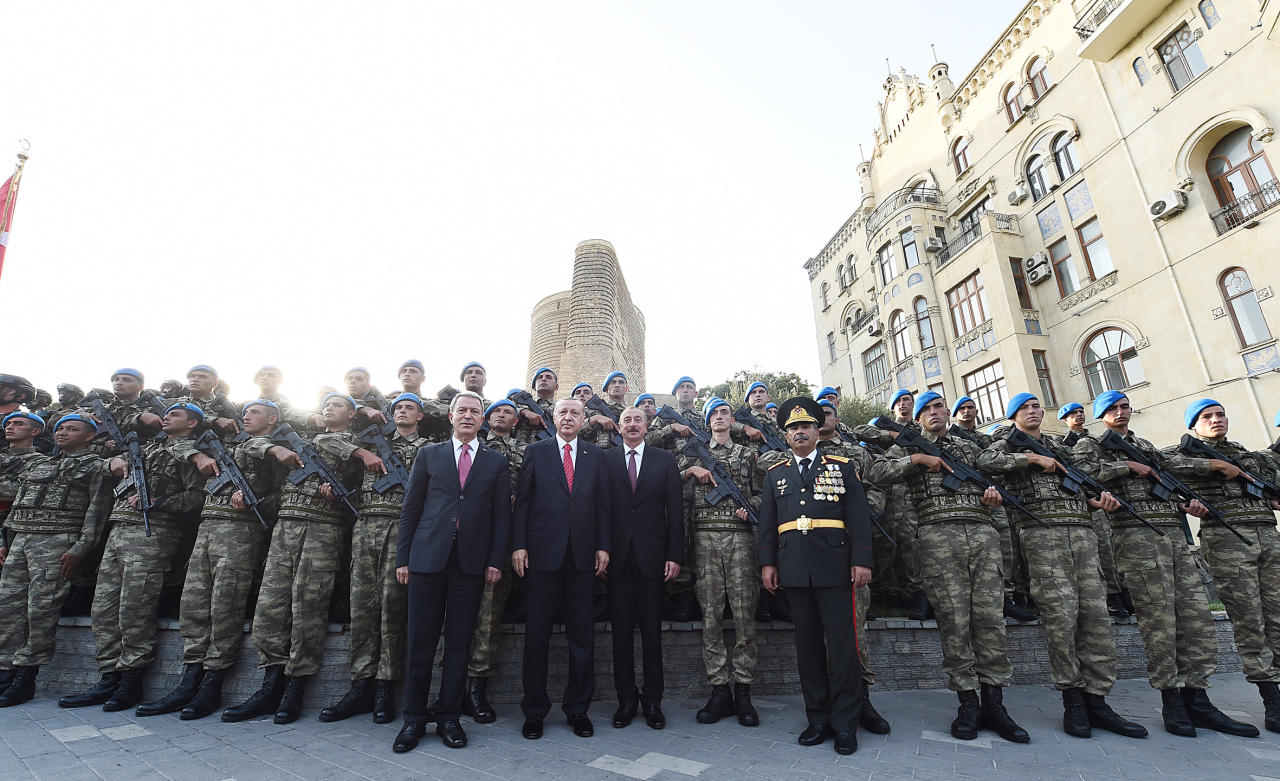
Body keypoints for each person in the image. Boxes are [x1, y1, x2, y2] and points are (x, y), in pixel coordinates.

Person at [1073, 391, 1256, 738]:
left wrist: (1187, 506)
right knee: (1160, 623)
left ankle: (1198, 699)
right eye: (1112, 409)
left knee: (1195, 620)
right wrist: (1126, 466)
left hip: (1172, 535)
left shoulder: (1145, 444)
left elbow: (1170, 479)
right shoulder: (1091, 447)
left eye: (1125, 407)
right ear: (1101, 416)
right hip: (1135, 538)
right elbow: (1082, 475)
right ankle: (1172, 702)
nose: (1121, 413)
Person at [977, 392, 1146, 740]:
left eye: (1037, 406)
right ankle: (1073, 702)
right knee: (1061, 618)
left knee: (1095, 617)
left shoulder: (1060, 445)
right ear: (1013, 416)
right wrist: (1030, 458)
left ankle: (1097, 699)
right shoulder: (1005, 444)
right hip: (1042, 535)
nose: (1034, 411)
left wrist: (1099, 501)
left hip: (1082, 534)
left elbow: (1082, 478)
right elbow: (986, 462)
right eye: (1024, 408)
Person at [867, 392, 1028, 743]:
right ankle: (968, 703)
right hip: (938, 538)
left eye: (938, 406)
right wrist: (917, 459)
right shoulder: (909, 447)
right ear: (918, 418)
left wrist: (993, 497)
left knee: (990, 621)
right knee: (954, 622)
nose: (934, 412)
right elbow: (874, 472)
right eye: (926, 409)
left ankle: (995, 704)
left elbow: (994, 476)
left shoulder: (968, 447)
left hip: (982, 536)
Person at [222, 392, 383, 724]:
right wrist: (275, 450)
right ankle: (271, 684)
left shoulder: (359, 444)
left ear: (353, 415)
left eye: (338, 405)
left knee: (307, 609)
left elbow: (361, 485)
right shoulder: (300, 441)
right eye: (326, 404)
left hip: (323, 530)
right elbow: (248, 447)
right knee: (270, 608)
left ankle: (295, 688)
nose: (329, 407)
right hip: (284, 528)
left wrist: (341, 492)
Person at [137, 399, 287, 721]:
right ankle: (190, 678)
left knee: (225, 605)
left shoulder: (273, 451)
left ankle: (212, 683)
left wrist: (255, 499)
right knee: (193, 605)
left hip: (240, 531)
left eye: (256, 412)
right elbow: (177, 447)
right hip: (207, 529)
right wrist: (197, 455)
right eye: (244, 411)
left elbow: (284, 493)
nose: (247, 415)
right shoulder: (223, 445)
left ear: (273, 418)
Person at [59, 403, 208, 712]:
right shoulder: (146, 447)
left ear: (192, 423)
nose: (167, 416)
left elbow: (197, 496)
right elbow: (100, 468)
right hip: (117, 531)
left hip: (153, 533)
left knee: (135, 608)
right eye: (166, 413)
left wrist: (159, 501)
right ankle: (108, 676)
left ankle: (131, 681)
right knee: (104, 608)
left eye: (177, 414)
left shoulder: (193, 453)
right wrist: (113, 461)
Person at [391, 391, 511, 752]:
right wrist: (403, 559)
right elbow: (411, 509)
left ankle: (448, 717)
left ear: (482, 419)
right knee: (420, 641)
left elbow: (501, 517)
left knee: (459, 643)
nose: (468, 416)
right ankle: (413, 719)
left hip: (470, 564)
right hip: (427, 560)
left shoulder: (495, 462)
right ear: (451, 416)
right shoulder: (429, 455)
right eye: (463, 410)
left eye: (476, 411)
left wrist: (495, 560)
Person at [759, 397, 872, 755]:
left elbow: (858, 517)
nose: (800, 432)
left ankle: (844, 723)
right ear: (786, 435)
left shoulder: (841, 465)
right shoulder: (775, 473)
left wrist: (862, 561)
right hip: (794, 570)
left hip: (835, 568)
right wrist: (768, 564)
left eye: (806, 426)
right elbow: (767, 526)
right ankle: (818, 719)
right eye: (793, 428)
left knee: (842, 649)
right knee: (807, 650)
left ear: (817, 430)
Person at [1170, 399, 1280, 733]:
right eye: (1207, 417)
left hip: (1268, 535)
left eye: (1220, 414)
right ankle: (1272, 700)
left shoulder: (1245, 454)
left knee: (1277, 616)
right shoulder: (1185, 453)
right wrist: (1214, 468)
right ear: (1194, 425)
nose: (1216, 420)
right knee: (1250, 621)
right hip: (1227, 540)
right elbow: (1165, 468)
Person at [319, 393, 429, 726]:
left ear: (420, 416)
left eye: (409, 407)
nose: (402, 411)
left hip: (401, 528)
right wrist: (359, 454)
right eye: (397, 408)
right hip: (365, 525)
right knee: (362, 607)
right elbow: (325, 438)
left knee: (392, 609)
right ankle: (360, 684)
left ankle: (385, 688)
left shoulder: (429, 447)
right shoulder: (367, 441)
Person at [512, 398, 611, 740]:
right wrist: (520, 545)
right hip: (541, 557)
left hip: (583, 559)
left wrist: (602, 546)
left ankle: (577, 709)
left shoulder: (596, 456)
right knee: (537, 636)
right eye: (562, 412)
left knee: (582, 638)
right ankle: (535, 710)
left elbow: (603, 506)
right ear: (552, 418)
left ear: (584, 420)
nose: (568, 417)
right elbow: (523, 502)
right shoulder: (535, 453)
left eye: (575, 413)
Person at [0, 414, 110, 706]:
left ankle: (26, 676)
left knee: (41, 610)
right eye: (60, 428)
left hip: (57, 542)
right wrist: (4, 538)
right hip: (20, 540)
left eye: (72, 429)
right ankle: (5, 670)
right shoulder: (40, 464)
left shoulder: (95, 466)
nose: (63, 432)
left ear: (89, 436)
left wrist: (81, 549)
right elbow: (21, 501)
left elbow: (96, 512)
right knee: (7, 607)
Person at [681, 397, 763, 728]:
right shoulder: (692, 453)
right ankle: (719, 690)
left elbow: (762, 493)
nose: (719, 418)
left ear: (732, 420)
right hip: (704, 540)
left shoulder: (747, 455)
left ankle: (743, 690)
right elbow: (666, 478)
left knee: (744, 613)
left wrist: (750, 508)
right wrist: (691, 469)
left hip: (740, 538)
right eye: (713, 414)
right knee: (711, 615)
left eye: (724, 413)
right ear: (707, 421)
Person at [814, 399, 889, 735]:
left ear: (836, 419)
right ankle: (830, 700)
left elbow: (876, 490)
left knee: (855, 631)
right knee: (820, 634)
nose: (822, 419)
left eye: (827, 413)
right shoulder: (800, 455)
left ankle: (862, 699)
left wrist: (859, 509)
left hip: (847, 549)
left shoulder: (854, 453)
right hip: (815, 554)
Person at [605, 406, 682, 730]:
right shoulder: (604, 460)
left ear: (647, 426)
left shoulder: (664, 461)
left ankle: (653, 700)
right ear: (619, 428)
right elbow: (599, 509)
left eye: (638, 420)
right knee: (620, 634)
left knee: (652, 634)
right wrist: (601, 550)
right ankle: (626, 699)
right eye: (627, 420)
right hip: (616, 559)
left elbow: (675, 512)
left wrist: (675, 554)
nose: (633, 424)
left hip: (653, 558)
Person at [462, 399, 528, 723]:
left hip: (500, 541)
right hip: (465, 539)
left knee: (488, 618)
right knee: (457, 615)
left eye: (508, 413)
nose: (502, 416)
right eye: (497, 412)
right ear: (487, 419)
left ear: (516, 422)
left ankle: (477, 688)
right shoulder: (469, 447)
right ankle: (451, 686)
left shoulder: (524, 452)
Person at [1059, 402, 1130, 619]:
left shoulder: (1099, 440)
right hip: (1085, 498)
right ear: (1064, 419)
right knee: (1101, 548)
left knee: (1113, 546)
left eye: (1081, 412)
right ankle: (1112, 594)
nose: (1079, 416)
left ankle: (1122, 590)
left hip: (1105, 496)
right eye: (1073, 414)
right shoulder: (1064, 443)